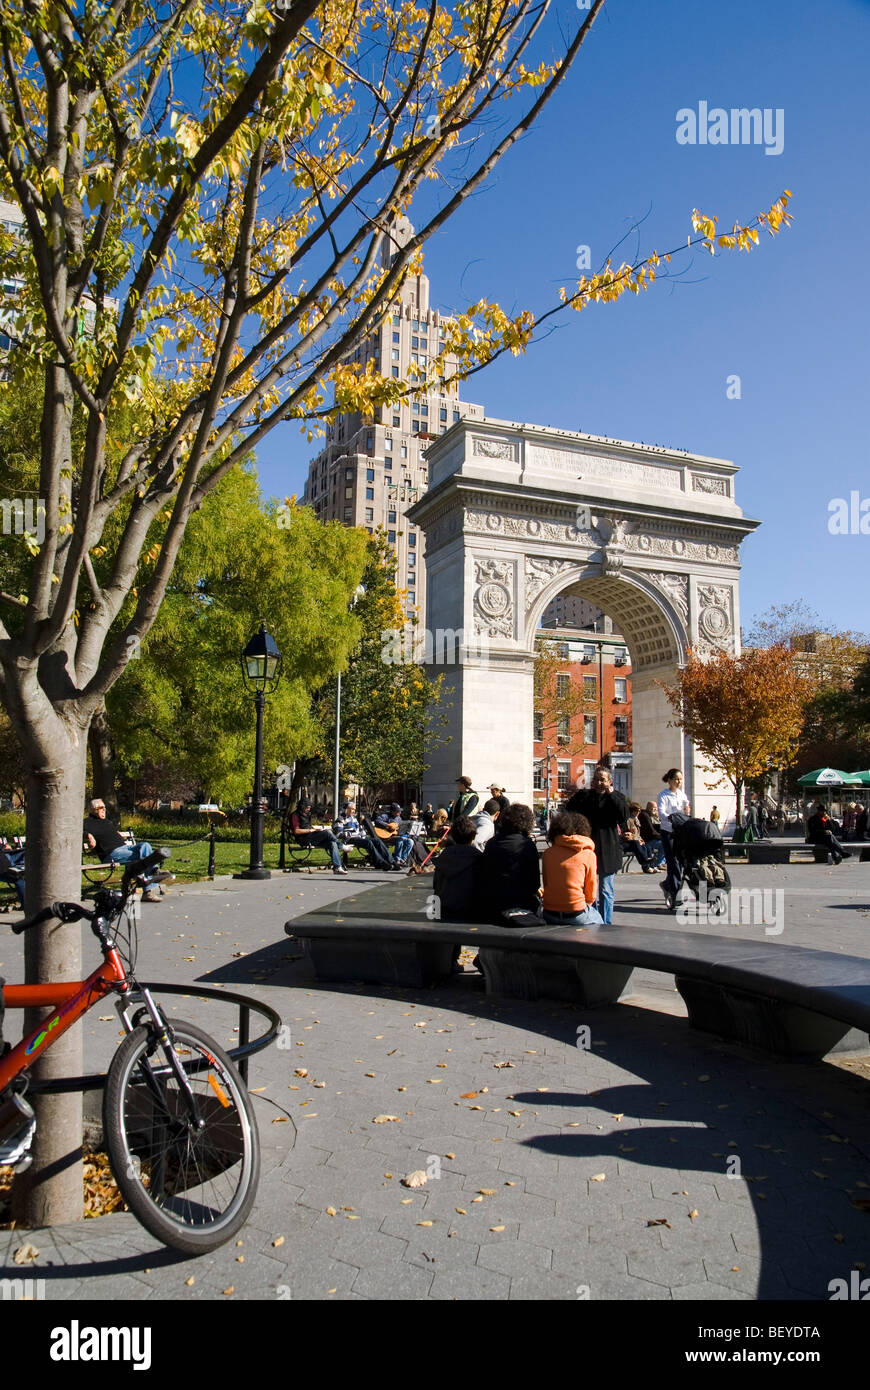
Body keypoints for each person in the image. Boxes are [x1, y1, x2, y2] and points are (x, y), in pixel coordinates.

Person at [565, 766, 629, 924]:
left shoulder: (617, 797)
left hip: (608, 847)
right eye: (596, 779)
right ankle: (592, 918)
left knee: (606, 889)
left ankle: (606, 922)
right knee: (589, 889)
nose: (599, 783)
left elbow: (623, 815)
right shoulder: (585, 796)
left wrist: (611, 794)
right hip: (587, 848)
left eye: (603, 780)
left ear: (610, 781)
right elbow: (569, 809)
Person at [83, 798, 172, 902]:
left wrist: (117, 834)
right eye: (101, 808)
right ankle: (148, 891)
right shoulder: (87, 822)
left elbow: (110, 833)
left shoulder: (106, 821)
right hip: (112, 854)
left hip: (125, 848)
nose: (104, 810)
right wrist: (88, 835)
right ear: (94, 810)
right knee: (143, 857)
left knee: (145, 845)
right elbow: (77, 830)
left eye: (105, 808)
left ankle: (155, 871)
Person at [476, 803, 541, 924]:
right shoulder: (527, 845)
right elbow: (534, 884)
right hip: (519, 903)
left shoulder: (491, 843)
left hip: (492, 905)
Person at [541, 812, 603, 926]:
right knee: (600, 922)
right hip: (576, 913)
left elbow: (547, 883)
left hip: (549, 912)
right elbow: (591, 891)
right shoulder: (588, 854)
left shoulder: (548, 853)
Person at [433, 815, 481, 920]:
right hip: (470, 911)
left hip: (443, 909)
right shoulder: (478, 858)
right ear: (473, 837)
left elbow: (436, 885)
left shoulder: (444, 856)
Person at [657, 769, 691, 910]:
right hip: (668, 831)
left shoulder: (682, 795)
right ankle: (674, 892)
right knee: (673, 862)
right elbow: (661, 812)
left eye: (681, 779)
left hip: (680, 831)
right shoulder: (663, 795)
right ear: (670, 779)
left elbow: (686, 807)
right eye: (676, 779)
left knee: (681, 862)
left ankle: (667, 884)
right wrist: (671, 818)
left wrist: (687, 812)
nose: (679, 782)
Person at [290, 798, 347, 874]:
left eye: (309, 807)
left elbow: (308, 826)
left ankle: (337, 868)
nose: (309, 809)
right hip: (304, 839)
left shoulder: (307, 814)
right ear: (302, 807)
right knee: (327, 833)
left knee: (332, 843)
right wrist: (310, 830)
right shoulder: (295, 815)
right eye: (307, 807)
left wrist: (316, 828)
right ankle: (341, 846)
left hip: (311, 837)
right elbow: (296, 831)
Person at [333, 803, 393, 870]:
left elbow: (360, 829)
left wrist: (363, 836)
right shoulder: (340, 819)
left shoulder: (353, 819)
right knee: (368, 842)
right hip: (349, 839)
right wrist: (351, 834)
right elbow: (338, 834)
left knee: (377, 840)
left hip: (359, 838)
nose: (354, 811)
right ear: (347, 809)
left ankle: (391, 861)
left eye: (354, 810)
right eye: (352, 809)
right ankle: (381, 863)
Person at [623, 802, 658, 873]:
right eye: (637, 811)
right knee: (641, 846)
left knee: (647, 847)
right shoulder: (629, 820)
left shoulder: (636, 819)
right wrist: (638, 840)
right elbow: (629, 834)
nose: (639, 812)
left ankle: (649, 866)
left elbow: (638, 833)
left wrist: (641, 839)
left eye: (639, 811)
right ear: (632, 811)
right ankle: (646, 866)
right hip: (630, 841)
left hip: (637, 839)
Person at [638, 801, 666, 869]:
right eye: (654, 807)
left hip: (650, 838)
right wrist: (662, 837)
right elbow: (651, 831)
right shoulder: (645, 815)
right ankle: (658, 864)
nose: (655, 809)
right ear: (648, 808)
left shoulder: (650, 815)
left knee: (667, 843)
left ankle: (660, 863)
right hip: (647, 841)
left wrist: (658, 818)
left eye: (656, 808)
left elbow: (655, 827)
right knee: (665, 844)